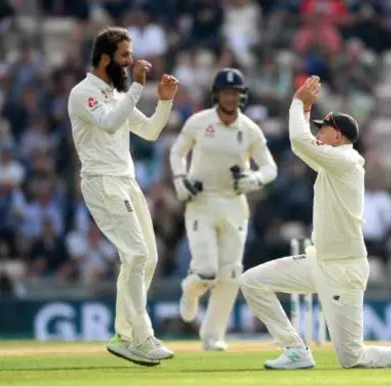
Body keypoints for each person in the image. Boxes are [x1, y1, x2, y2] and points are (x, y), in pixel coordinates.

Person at [239, 76, 391, 370]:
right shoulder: (331, 162)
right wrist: (306, 111)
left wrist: (298, 102)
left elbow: (299, 141)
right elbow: (303, 145)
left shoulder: (345, 161)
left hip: (344, 269)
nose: (318, 133)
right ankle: (295, 350)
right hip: (318, 261)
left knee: (351, 358)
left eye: (323, 129)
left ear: (338, 136)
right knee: (252, 282)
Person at [67, 27, 179, 366]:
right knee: (136, 255)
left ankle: (123, 335)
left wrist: (164, 101)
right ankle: (142, 337)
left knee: (148, 258)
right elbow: (111, 123)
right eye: (125, 56)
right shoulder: (83, 93)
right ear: (105, 58)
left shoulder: (118, 93)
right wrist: (138, 87)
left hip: (126, 181)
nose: (131, 61)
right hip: (102, 181)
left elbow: (149, 130)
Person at [169, 67, 278, 351]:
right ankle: (190, 290)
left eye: (235, 93)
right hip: (201, 203)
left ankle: (212, 336)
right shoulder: (198, 122)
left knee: (230, 275)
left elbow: (270, 168)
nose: (230, 98)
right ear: (216, 95)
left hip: (233, 204)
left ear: (241, 96)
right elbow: (176, 152)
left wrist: (253, 179)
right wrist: (180, 179)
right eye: (225, 92)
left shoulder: (249, 129)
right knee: (206, 272)